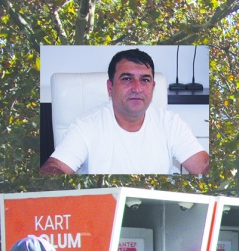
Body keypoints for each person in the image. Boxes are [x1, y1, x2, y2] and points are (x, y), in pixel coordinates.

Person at [41, 48, 209, 175]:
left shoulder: (171, 123)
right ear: (110, 87)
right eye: (127, 79)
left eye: (145, 80)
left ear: (153, 87)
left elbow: (203, 166)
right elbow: (55, 167)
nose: (137, 88)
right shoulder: (85, 126)